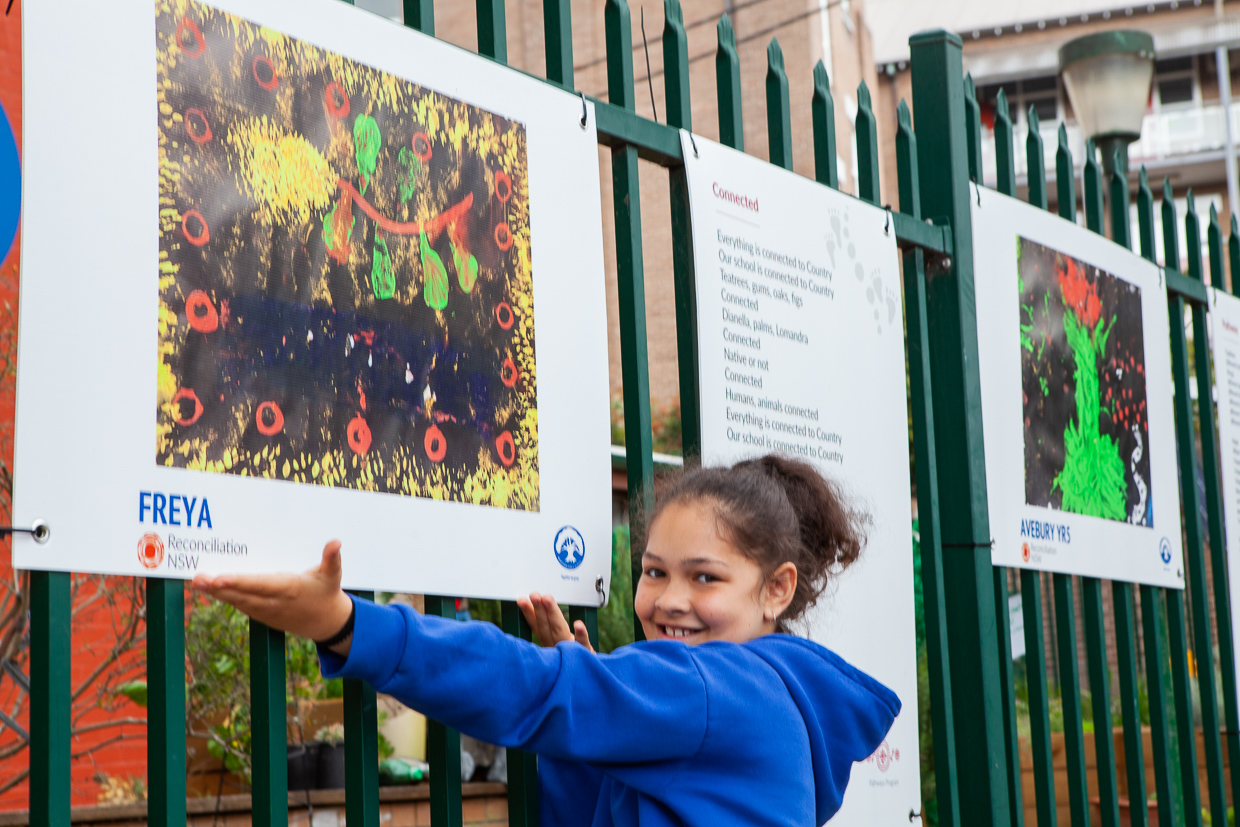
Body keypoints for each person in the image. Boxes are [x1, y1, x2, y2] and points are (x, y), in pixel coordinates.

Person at [192, 454, 899, 826]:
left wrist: (353, 625)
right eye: (654, 571)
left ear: (776, 588)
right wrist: (599, 694)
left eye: (706, 577)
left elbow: (533, 686)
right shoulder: (764, 695)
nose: (670, 599)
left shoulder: (723, 686)